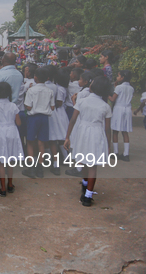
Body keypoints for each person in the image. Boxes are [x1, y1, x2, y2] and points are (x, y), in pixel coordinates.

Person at [64, 76, 112, 207]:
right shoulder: (106, 106)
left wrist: (67, 137)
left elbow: (73, 120)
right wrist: (109, 144)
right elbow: (107, 129)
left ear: (92, 87)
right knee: (92, 166)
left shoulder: (82, 101)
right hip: (97, 134)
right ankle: (88, 195)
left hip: (82, 133)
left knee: (83, 160)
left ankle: (85, 185)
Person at [0, 82, 23, 197]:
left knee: (1, 162)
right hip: (11, 131)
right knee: (10, 161)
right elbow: (19, 123)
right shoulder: (13, 106)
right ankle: (10, 185)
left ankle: (2, 188)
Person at [22, 67, 55, 179]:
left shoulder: (31, 90)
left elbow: (28, 106)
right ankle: (40, 168)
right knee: (42, 143)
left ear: (35, 77)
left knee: (30, 142)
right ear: (47, 78)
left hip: (33, 117)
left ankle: (31, 168)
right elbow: (52, 107)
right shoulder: (50, 91)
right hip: (44, 118)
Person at [110, 70, 134, 161]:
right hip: (127, 109)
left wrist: (107, 94)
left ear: (122, 77)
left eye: (118, 75)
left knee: (115, 131)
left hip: (118, 109)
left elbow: (113, 99)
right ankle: (126, 154)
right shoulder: (131, 88)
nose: (117, 77)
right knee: (125, 131)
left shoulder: (119, 87)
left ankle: (115, 152)